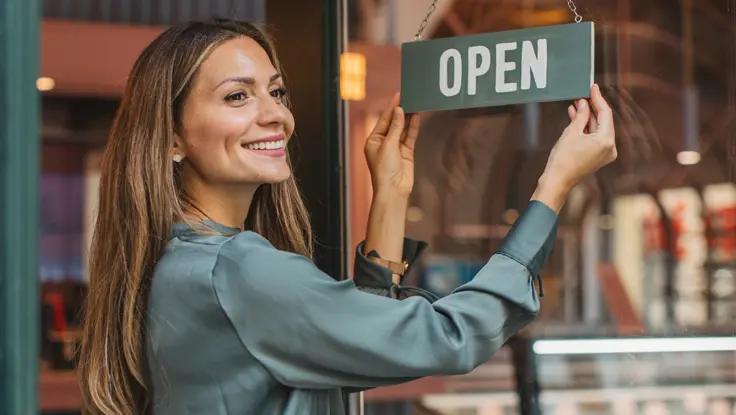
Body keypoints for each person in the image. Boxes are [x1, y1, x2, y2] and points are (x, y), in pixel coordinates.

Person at [78, 19, 616, 415]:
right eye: (237, 96)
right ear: (171, 137)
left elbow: (363, 340)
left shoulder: (179, 262)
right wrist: (554, 187)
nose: (276, 114)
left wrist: (390, 194)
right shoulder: (240, 271)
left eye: (276, 91)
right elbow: (449, 337)